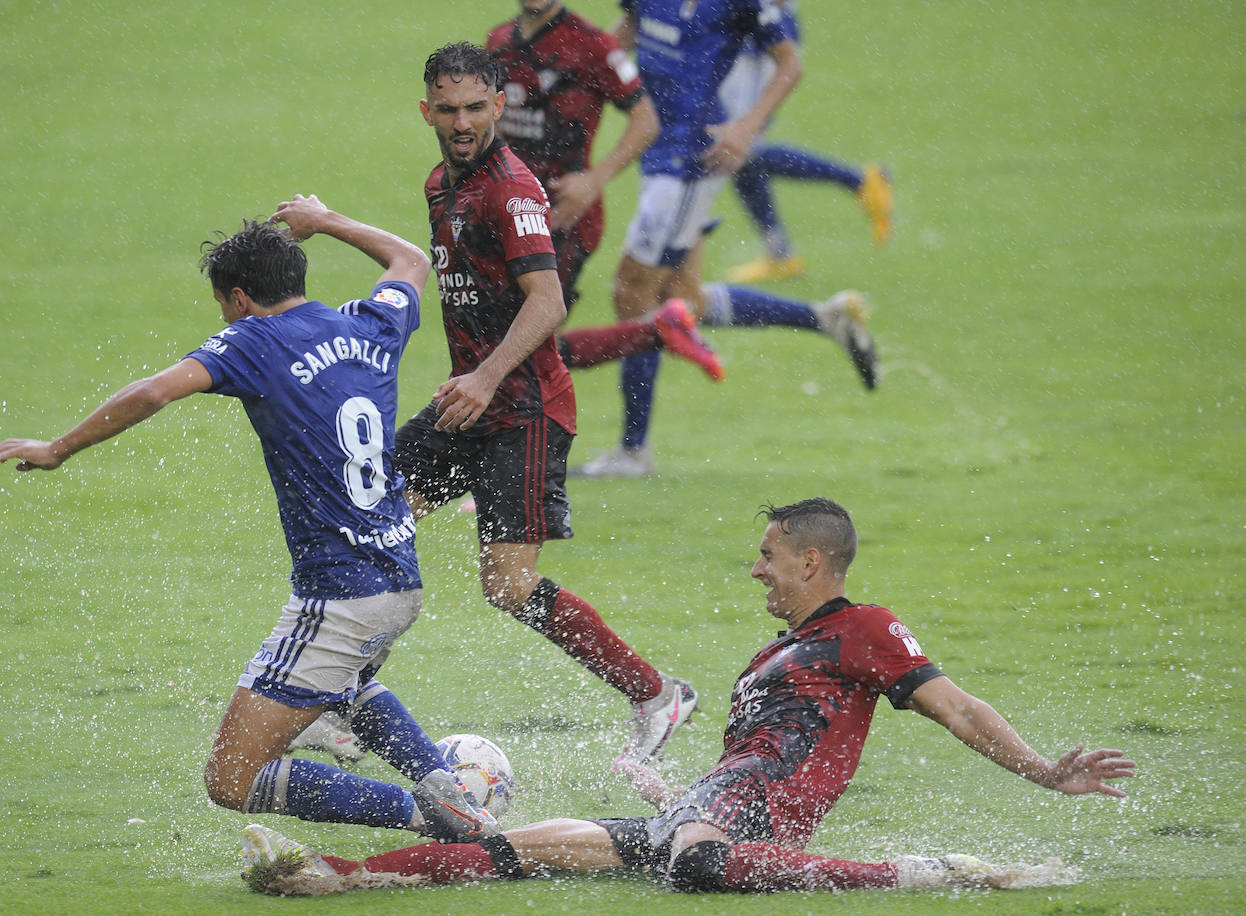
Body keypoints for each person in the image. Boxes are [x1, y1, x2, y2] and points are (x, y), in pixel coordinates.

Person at [238, 498, 1136, 897]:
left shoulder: (864, 629)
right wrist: (674, 795)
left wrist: (1042, 773)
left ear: (811, 562)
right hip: (714, 810)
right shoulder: (767, 658)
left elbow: (959, 707)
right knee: (511, 846)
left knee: (698, 866)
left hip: (751, 821)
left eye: (770, 556)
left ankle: (932, 871)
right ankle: (332, 877)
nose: (757, 568)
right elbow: (741, 763)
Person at [0, 199, 500, 843]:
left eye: (222, 307)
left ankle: (438, 815)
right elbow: (409, 260)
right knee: (343, 689)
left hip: (340, 596)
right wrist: (328, 220)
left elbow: (152, 391)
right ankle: (440, 780)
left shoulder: (252, 339)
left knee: (231, 779)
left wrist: (57, 449)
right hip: (399, 578)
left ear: (237, 298)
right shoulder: (369, 325)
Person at [294, 42, 697, 768]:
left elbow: (546, 303)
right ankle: (334, 703)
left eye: (475, 108)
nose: (460, 122)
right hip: (470, 404)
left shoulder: (510, 191)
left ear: (499, 107)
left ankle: (654, 694)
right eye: (447, 109)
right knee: (372, 529)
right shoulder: (439, 185)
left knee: (507, 586)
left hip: (524, 408)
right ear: (427, 111)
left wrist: (483, 378)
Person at [575, 0, 875, 479]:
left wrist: (746, 128)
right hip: (657, 146)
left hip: (691, 156)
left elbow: (789, 63)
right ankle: (826, 318)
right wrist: (583, 66)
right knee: (683, 297)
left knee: (633, 293)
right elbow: (631, 27)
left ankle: (633, 453)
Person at [489, 0, 726, 383]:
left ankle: (655, 333)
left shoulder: (592, 45)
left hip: (563, 216)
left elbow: (646, 121)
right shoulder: (498, 42)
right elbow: (492, 122)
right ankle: (657, 330)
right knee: (515, 349)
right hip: (507, 213)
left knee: (522, 349)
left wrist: (592, 180)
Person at [720, 11, 894, 284]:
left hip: (759, 45)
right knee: (739, 157)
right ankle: (780, 255)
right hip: (749, 42)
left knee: (739, 150)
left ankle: (859, 180)